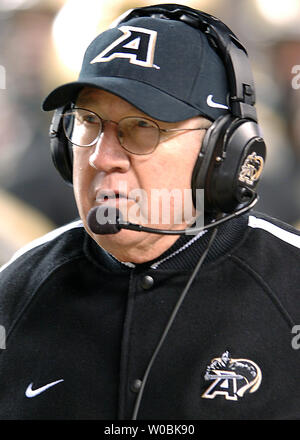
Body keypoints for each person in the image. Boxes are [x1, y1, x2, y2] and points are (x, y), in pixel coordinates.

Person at [0, 4, 299, 421]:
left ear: (222, 153)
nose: (103, 157)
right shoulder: (13, 291)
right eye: (89, 121)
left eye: (142, 126)